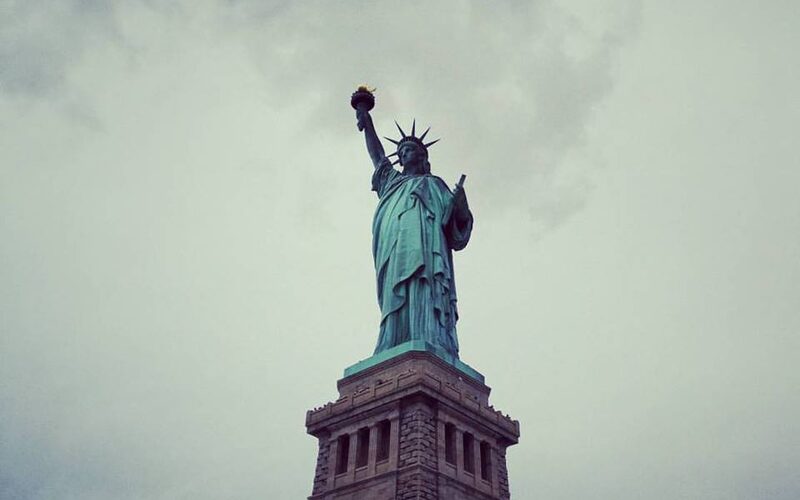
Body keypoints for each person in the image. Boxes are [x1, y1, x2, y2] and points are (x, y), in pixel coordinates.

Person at [356, 108, 473, 357]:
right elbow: (378, 156)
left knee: (423, 290)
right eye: (400, 152)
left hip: (429, 255)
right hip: (395, 249)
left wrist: (460, 205)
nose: (402, 154)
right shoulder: (391, 182)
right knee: (394, 295)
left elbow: (456, 228)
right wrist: (367, 124)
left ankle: (429, 336)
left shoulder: (435, 185)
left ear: (421, 156)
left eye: (408, 150)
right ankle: (393, 339)